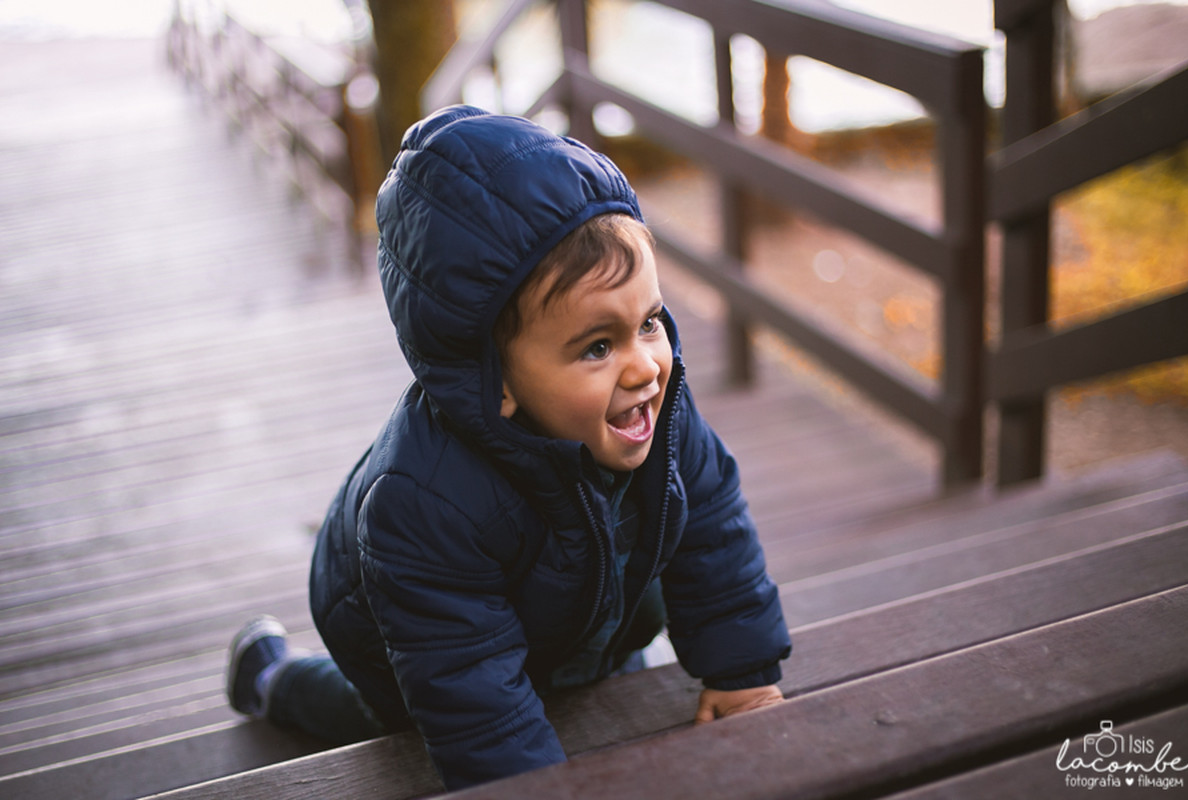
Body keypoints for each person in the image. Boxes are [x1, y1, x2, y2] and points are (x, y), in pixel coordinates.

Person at [226, 105, 791, 791]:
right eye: (598, 346)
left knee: (595, 664)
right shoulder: (423, 504)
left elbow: (711, 529)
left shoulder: (658, 407)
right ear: (495, 382)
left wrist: (742, 674)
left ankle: (596, 659)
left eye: (649, 322)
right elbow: (471, 693)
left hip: (574, 606)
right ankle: (271, 680)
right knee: (400, 724)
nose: (645, 366)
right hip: (408, 635)